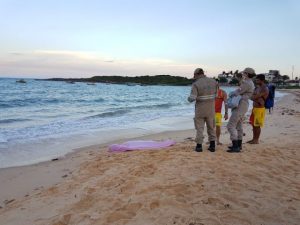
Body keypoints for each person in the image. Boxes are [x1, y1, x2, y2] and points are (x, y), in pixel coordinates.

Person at [188, 68, 217, 152]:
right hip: (211, 108)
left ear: (197, 74)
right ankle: (212, 146)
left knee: (199, 128)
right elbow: (216, 94)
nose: (194, 76)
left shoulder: (196, 84)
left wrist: (188, 99)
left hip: (200, 109)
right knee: (211, 127)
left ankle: (199, 146)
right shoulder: (214, 81)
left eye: (194, 75)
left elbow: (192, 98)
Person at [227, 67, 255, 153]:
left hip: (241, 105)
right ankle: (239, 145)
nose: (243, 74)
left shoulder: (247, 83)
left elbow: (237, 92)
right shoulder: (250, 83)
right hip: (243, 105)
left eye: (244, 73)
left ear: (247, 74)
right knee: (238, 126)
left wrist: (230, 93)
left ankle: (235, 146)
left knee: (231, 125)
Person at [247, 74, 269, 144]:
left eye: (257, 80)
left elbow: (254, 96)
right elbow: (251, 96)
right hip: (255, 108)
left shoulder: (265, 88)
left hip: (260, 109)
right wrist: (255, 97)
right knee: (253, 124)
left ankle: (256, 140)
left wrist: (255, 97)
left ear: (262, 80)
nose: (256, 81)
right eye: (256, 79)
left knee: (257, 125)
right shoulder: (257, 88)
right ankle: (253, 139)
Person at [214, 79, 229, 145]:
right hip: (209, 112)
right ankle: (211, 139)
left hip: (217, 113)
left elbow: (226, 104)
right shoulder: (209, 92)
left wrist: (226, 113)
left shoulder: (223, 92)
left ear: (218, 84)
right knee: (210, 127)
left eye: (216, 83)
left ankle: (217, 140)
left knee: (218, 126)